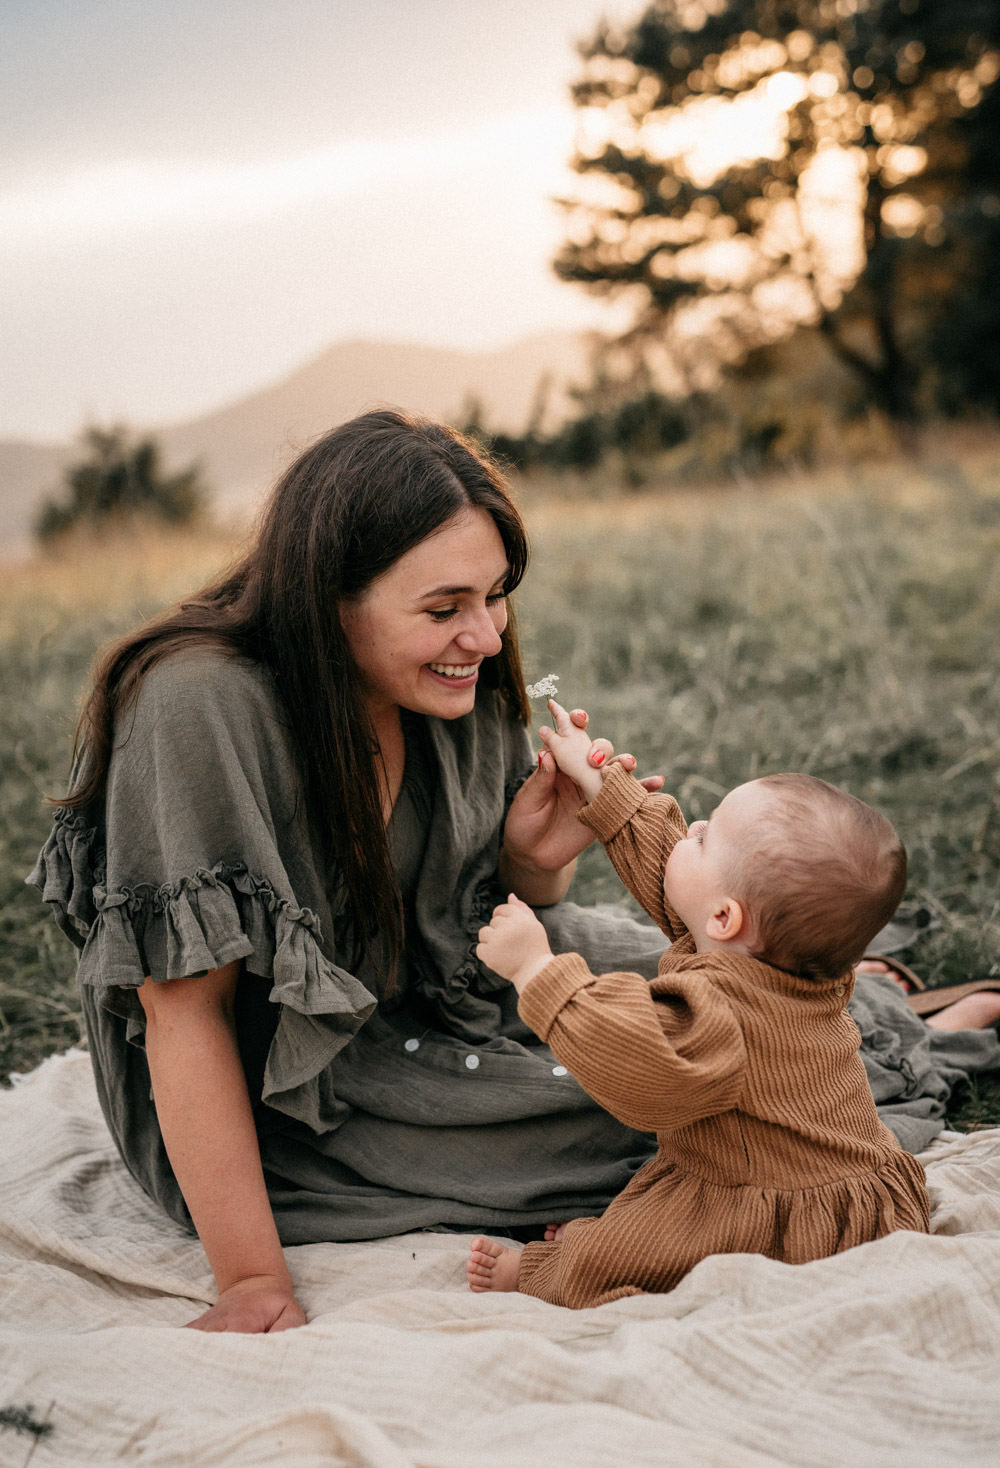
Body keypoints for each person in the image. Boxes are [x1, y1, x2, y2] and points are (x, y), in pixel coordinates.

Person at [28, 411, 1000, 1335]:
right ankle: (877, 1042)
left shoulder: (442, 678)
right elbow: (182, 1010)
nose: (487, 637)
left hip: (458, 988)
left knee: (699, 984)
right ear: (325, 598)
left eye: (495, 596)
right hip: (304, 1104)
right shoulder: (199, 706)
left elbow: (478, 916)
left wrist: (530, 863)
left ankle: (872, 1021)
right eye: (444, 606)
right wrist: (250, 1280)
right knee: (678, 1110)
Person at [467, 704, 930, 1303]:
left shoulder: (719, 1013)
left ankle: (536, 1274)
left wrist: (536, 968)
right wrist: (602, 785)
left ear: (725, 917)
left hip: (775, 1222)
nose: (690, 830)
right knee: (635, 1216)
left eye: (705, 836)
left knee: (625, 1249)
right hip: (869, 1198)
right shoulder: (793, 961)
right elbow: (674, 869)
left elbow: (637, 1060)